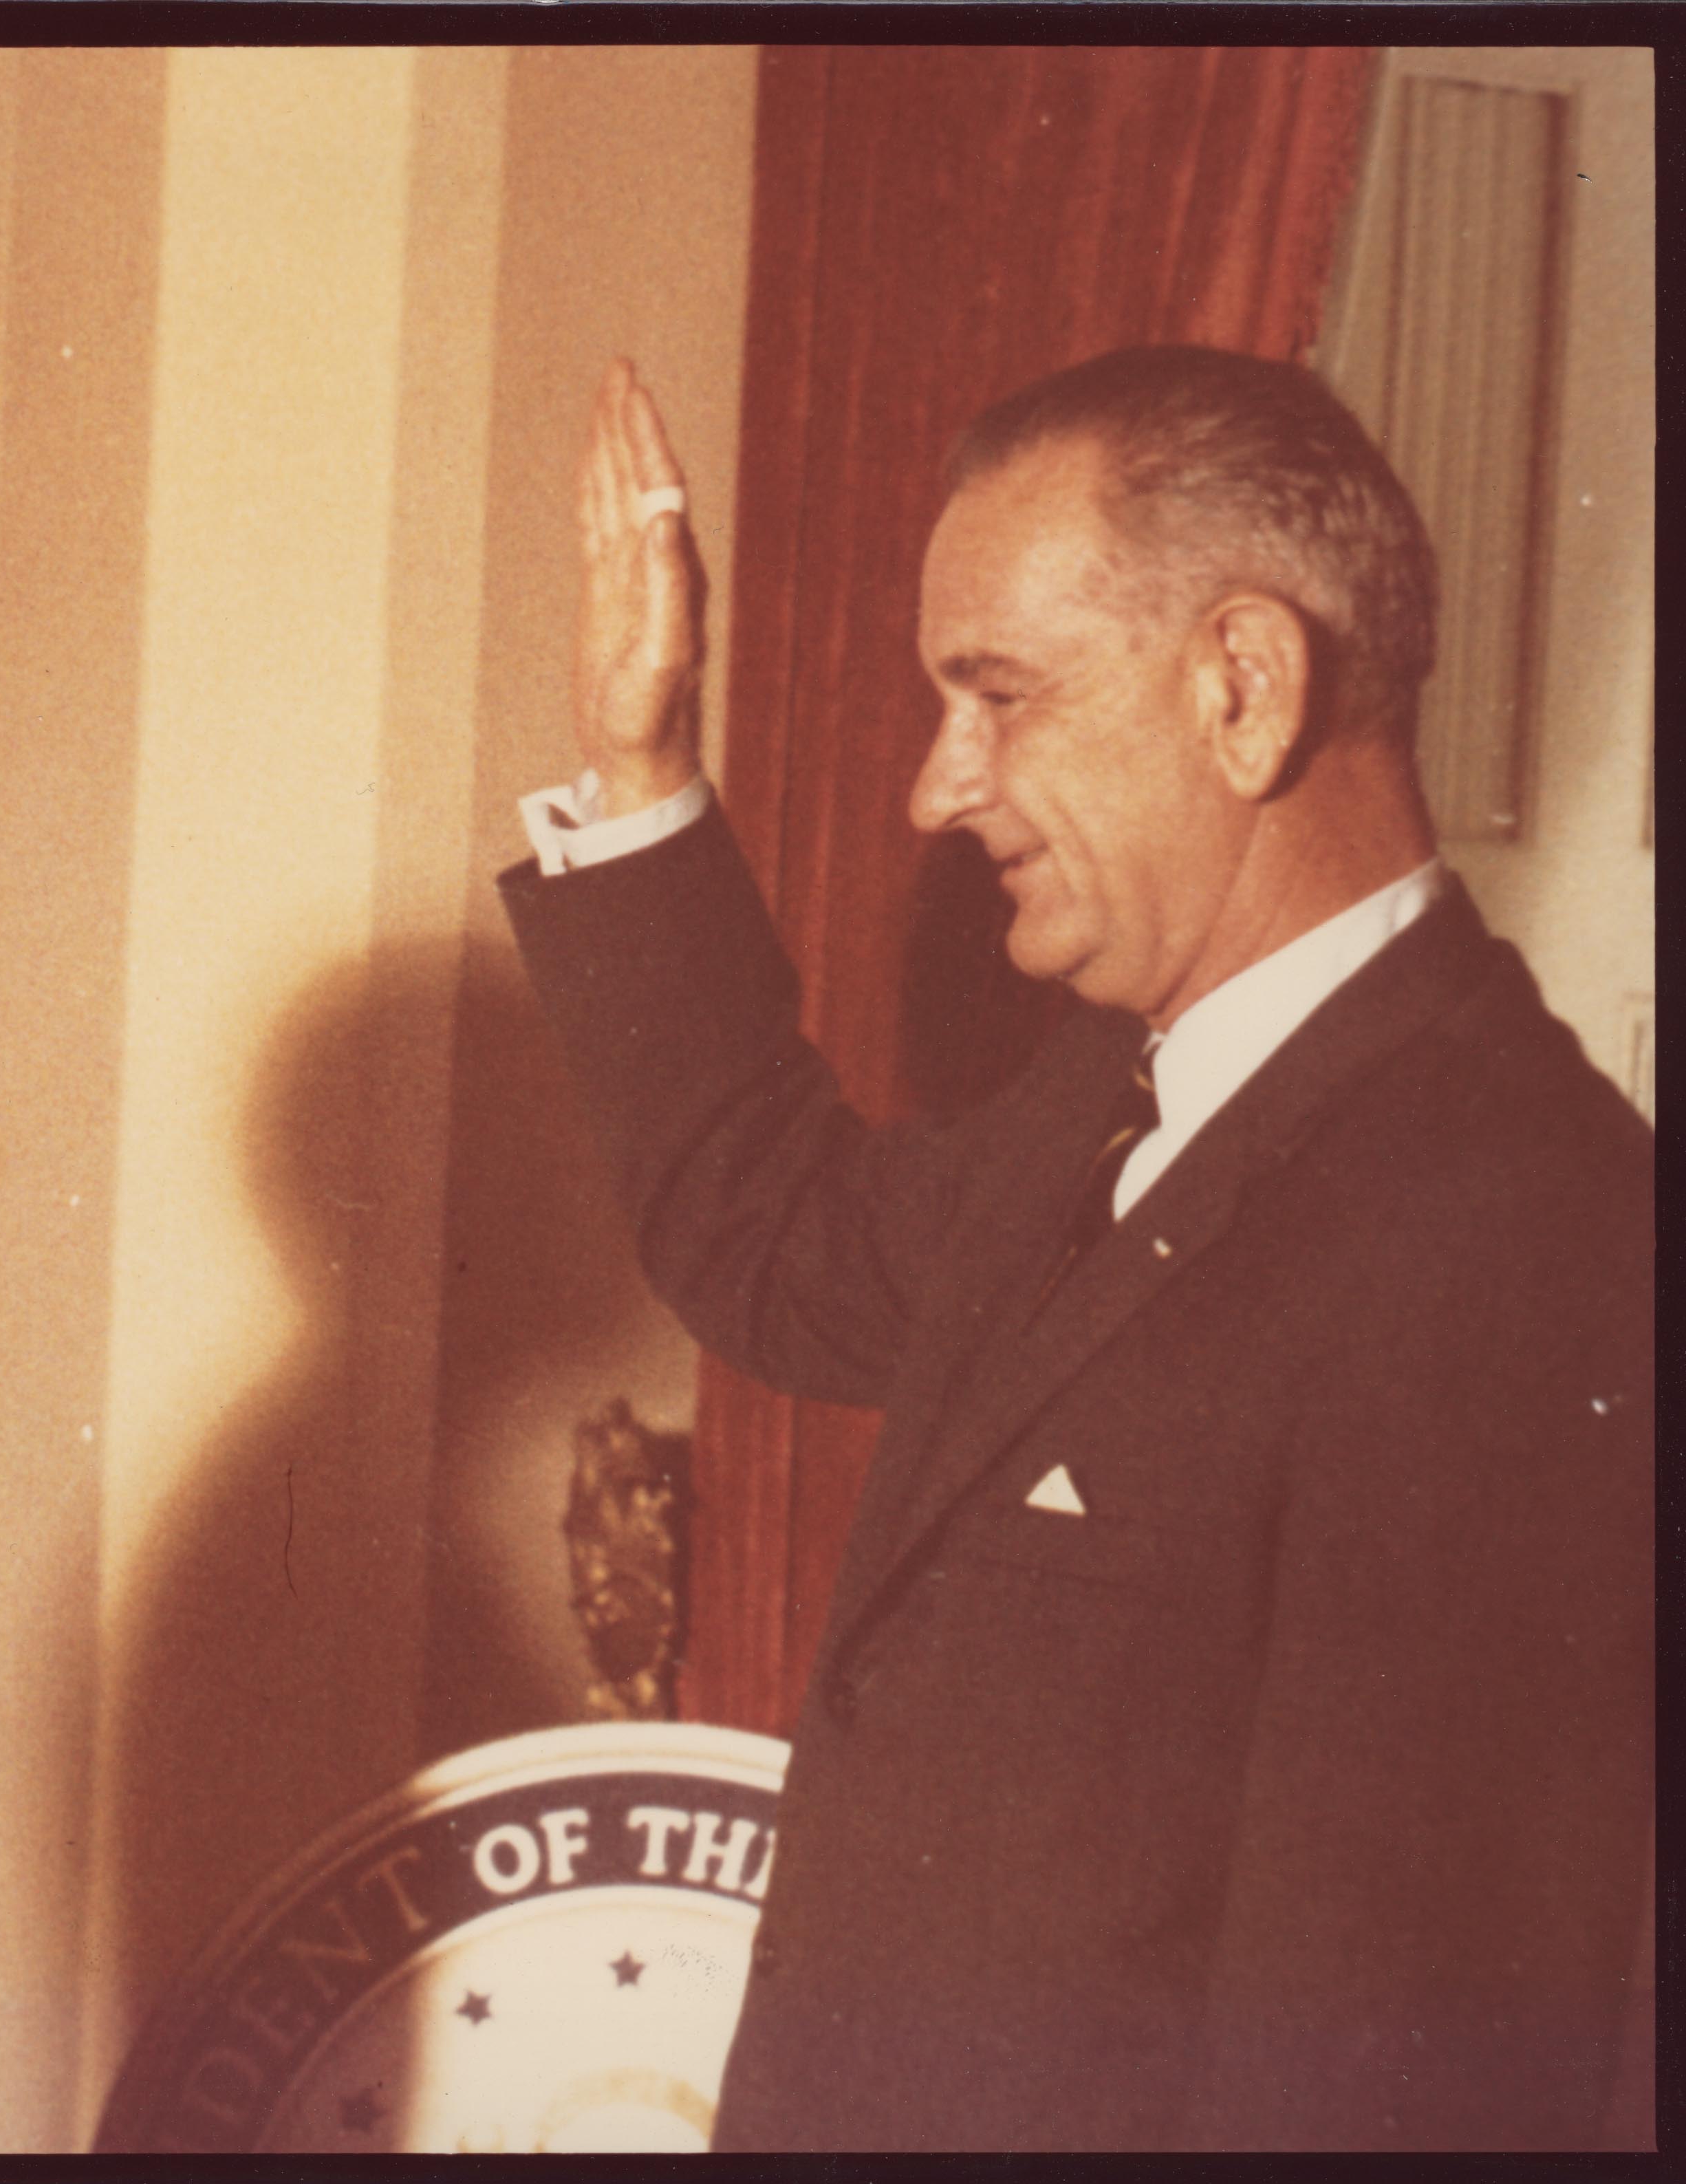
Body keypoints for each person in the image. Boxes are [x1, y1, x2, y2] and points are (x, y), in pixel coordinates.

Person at [501, 351, 1651, 2150]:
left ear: (1244, 690)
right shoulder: (1113, 1102)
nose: (935, 791)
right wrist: (640, 767)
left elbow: (1378, 2082)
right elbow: (776, 1236)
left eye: (1000, 696)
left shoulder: (1513, 1230)